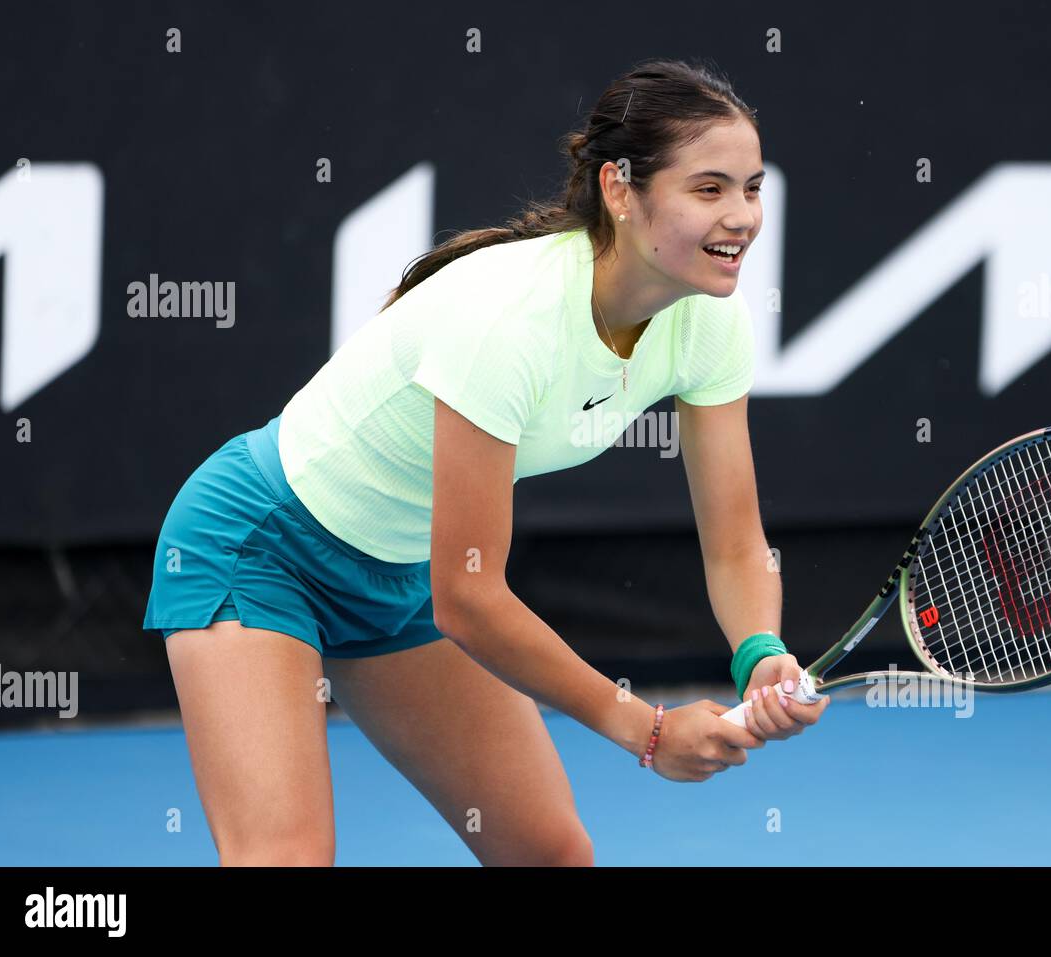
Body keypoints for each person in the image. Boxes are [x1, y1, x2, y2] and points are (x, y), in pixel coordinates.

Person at [142, 57, 829, 867]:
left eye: (753, 186)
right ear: (619, 188)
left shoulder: (712, 324)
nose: (743, 215)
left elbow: (737, 545)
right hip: (261, 547)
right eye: (708, 188)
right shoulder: (509, 319)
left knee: (549, 854)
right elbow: (467, 597)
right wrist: (646, 731)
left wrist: (759, 649)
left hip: (403, 575)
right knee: (285, 858)